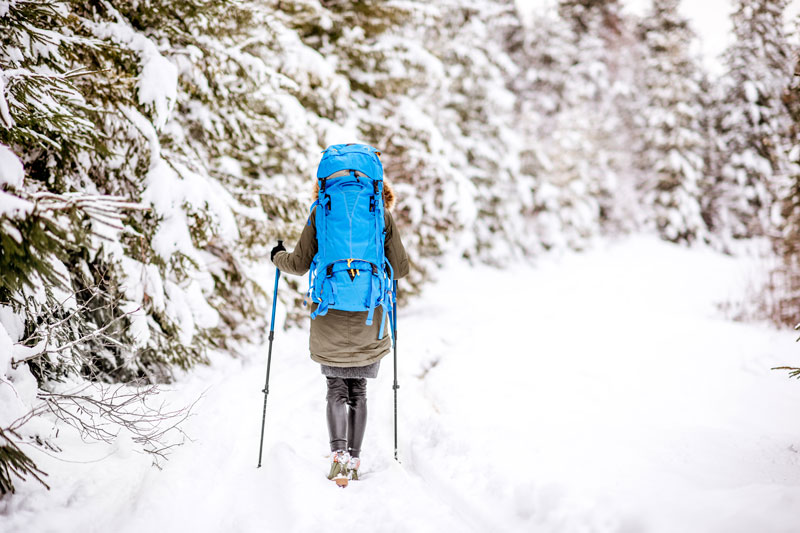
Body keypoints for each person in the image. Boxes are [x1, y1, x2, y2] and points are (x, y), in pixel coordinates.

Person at [270, 172, 409, 484]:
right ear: (378, 186)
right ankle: (355, 460)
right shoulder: (380, 214)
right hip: (368, 314)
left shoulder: (322, 210)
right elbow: (400, 268)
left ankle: (338, 458)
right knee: (358, 389)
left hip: (329, 309)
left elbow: (298, 264)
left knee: (335, 388)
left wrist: (277, 256)